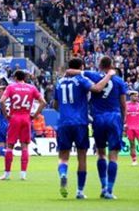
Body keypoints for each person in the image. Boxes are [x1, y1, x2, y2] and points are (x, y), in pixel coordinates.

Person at [68, 57, 126, 199]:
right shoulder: (119, 81)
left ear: (99, 65)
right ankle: (110, 191)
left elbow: (70, 71)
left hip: (98, 119)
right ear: (112, 65)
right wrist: (122, 122)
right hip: (114, 118)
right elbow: (123, 104)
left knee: (101, 154)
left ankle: (103, 186)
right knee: (113, 156)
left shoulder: (92, 75)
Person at [54, 58, 111, 199]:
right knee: (82, 158)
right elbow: (97, 88)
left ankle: (63, 174)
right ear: (81, 67)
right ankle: (80, 191)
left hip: (63, 123)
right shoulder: (81, 79)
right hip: (80, 122)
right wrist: (109, 75)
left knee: (63, 157)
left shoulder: (59, 83)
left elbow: (55, 105)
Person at [0, 70, 45, 181]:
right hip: (26, 118)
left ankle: (7, 174)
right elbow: (43, 102)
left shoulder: (11, 87)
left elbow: (1, 101)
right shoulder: (31, 88)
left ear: (15, 77)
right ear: (25, 77)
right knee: (25, 146)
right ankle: (23, 174)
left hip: (15, 118)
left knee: (10, 146)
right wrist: (34, 115)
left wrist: (6, 115)